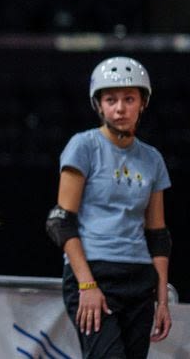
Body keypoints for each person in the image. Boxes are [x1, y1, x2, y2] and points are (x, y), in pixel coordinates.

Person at [45, 57, 172, 358]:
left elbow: (158, 235)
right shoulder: (84, 146)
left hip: (140, 277)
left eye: (129, 99)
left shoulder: (152, 158)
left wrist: (163, 299)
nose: (120, 108)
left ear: (143, 103)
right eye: (110, 99)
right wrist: (87, 285)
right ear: (98, 105)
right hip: (95, 274)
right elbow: (61, 222)